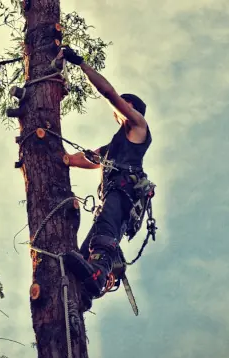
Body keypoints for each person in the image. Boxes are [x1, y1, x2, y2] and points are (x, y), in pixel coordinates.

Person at [59, 46, 153, 305]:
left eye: (124, 106)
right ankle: (84, 292)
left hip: (123, 194)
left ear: (130, 107)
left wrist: (82, 64)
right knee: (85, 250)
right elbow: (90, 159)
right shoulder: (115, 145)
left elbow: (109, 93)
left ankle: (98, 276)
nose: (117, 112)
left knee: (104, 235)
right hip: (114, 198)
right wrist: (64, 159)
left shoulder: (138, 127)